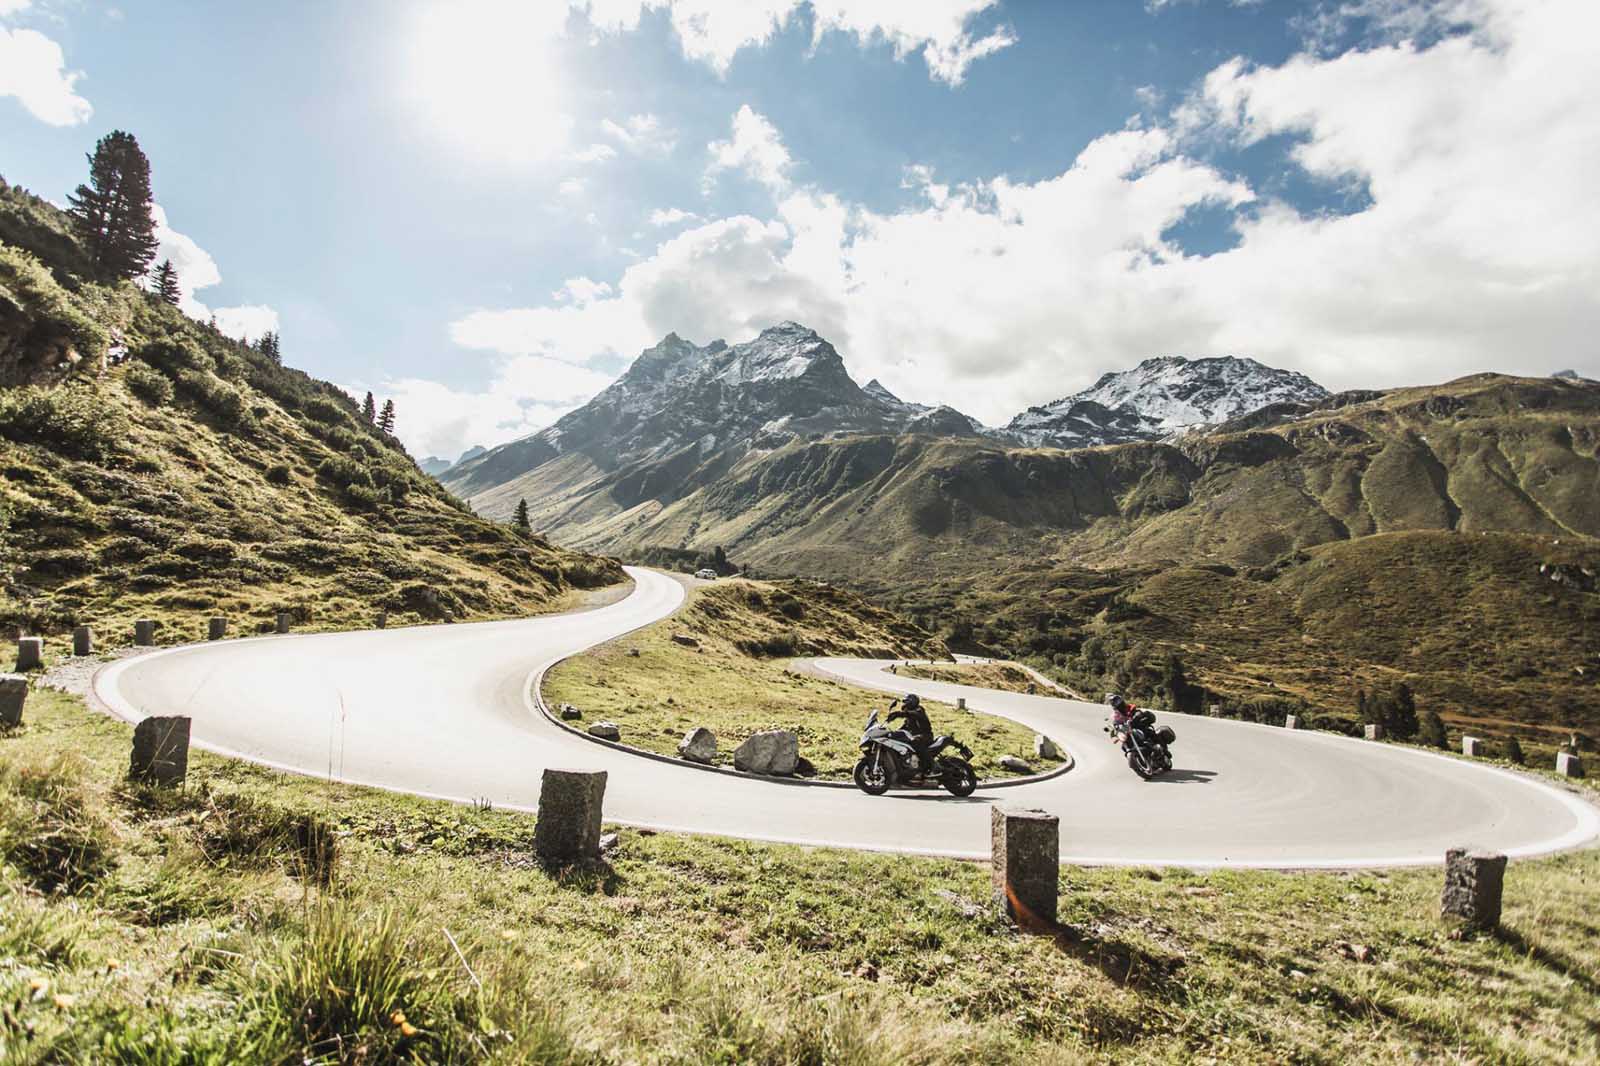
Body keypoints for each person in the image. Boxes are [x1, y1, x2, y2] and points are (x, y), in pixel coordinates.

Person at [887, 692, 934, 773]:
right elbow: (905, 727)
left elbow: (913, 714)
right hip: (915, 736)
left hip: (925, 736)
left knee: (914, 741)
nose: (904, 705)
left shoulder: (919, 710)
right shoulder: (909, 716)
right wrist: (893, 733)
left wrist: (898, 714)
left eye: (906, 702)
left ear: (912, 702)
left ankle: (930, 765)